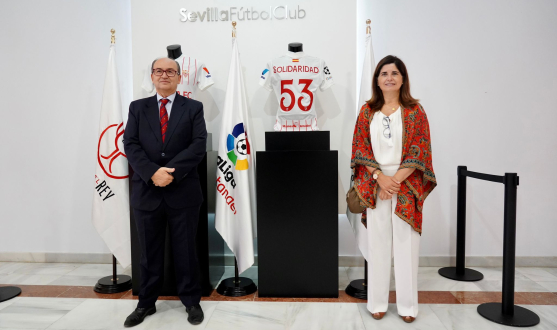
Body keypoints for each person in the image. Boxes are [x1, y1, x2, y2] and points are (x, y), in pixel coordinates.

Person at [351, 55, 436, 323]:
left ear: (403, 79)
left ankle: (408, 306)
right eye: (384, 73)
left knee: (405, 245)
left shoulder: (415, 111)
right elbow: (359, 148)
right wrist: (379, 177)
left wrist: (394, 180)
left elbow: (419, 149)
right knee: (378, 245)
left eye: (395, 73)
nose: (389, 77)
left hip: (405, 184)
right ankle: (376, 302)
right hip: (376, 184)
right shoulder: (367, 111)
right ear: (377, 79)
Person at [123, 57, 207, 327]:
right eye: (159, 71)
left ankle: (192, 302)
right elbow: (131, 144)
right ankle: (146, 303)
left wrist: (168, 172)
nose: (164, 75)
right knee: (148, 252)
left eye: (170, 71)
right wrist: (152, 173)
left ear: (179, 77)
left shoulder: (193, 108)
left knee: (186, 250)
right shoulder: (138, 108)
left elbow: (198, 145)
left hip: (182, 191)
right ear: (152, 76)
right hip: (147, 192)